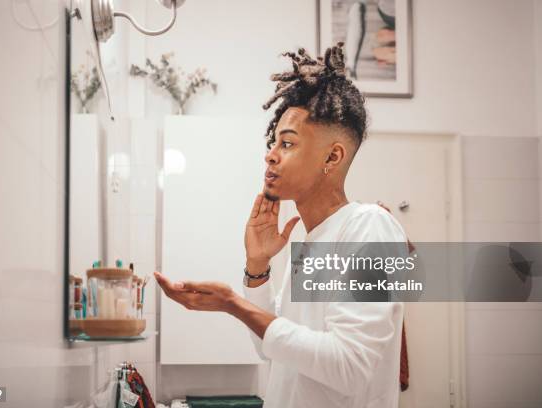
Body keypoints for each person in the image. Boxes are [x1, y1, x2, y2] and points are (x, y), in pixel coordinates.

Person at [154, 43, 408, 408]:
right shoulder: (309, 245)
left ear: (332, 156)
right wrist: (257, 268)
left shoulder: (371, 228)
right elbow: (270, 349)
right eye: (274, 142)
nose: (270, 154)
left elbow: (349, 366)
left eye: (287, 143)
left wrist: (234, 305)